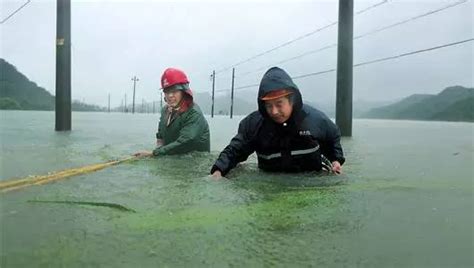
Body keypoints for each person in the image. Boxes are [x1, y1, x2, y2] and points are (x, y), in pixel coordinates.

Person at [211, 67, 345, 178]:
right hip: (270, 184)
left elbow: (333, 135)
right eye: (269, 106)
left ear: (292, 101)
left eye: (279, 104)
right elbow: (235, 150)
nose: (274, 111)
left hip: (311, 181)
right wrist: (218, 170)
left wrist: (336, 160)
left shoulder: (315, 119)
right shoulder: (253, 125)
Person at [134, 68, 210, 157]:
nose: (170, 95)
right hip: (170, 158)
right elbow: (160, 135)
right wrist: (158, 147)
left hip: (194, 162)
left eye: (174, 91)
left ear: (184, 92)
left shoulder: (193, 113)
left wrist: (153, 154)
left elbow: (186, 141)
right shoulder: (165, 110)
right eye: (166, 91)